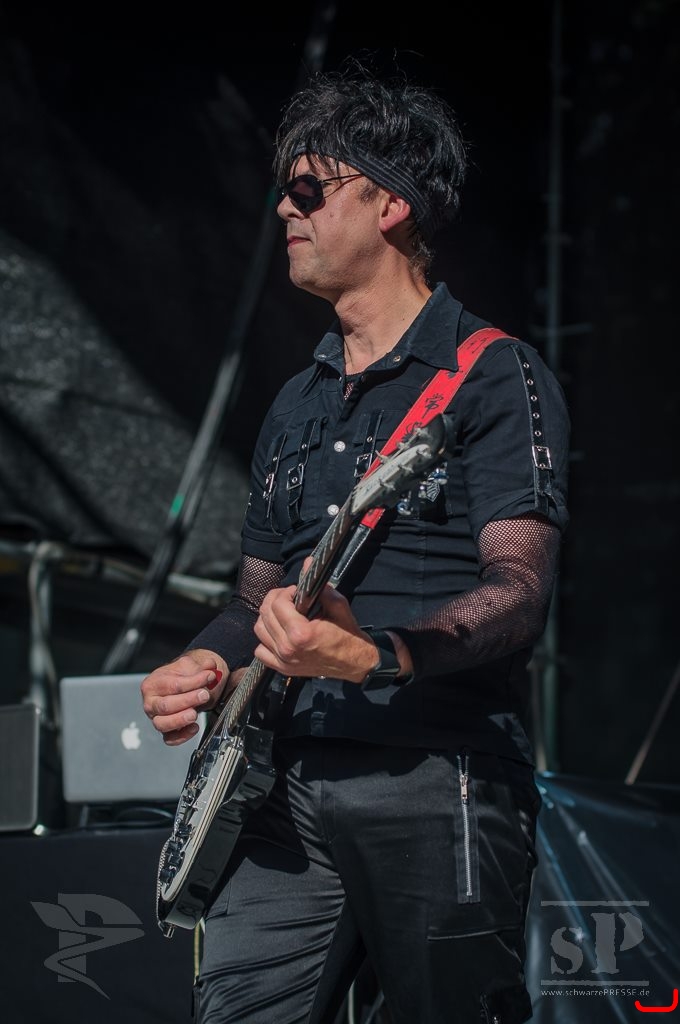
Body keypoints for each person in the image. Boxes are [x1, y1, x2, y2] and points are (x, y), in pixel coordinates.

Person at [141, 61, 570, 1024]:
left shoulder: (494, 375)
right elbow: (254, 600)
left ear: (390, 203)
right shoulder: (295, 402)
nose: (284, 211)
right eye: (283, 191)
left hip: (436, 775)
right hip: (277, 788)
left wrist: (376, 653)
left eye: (308, 189)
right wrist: (199, 664)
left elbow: (519, 591)